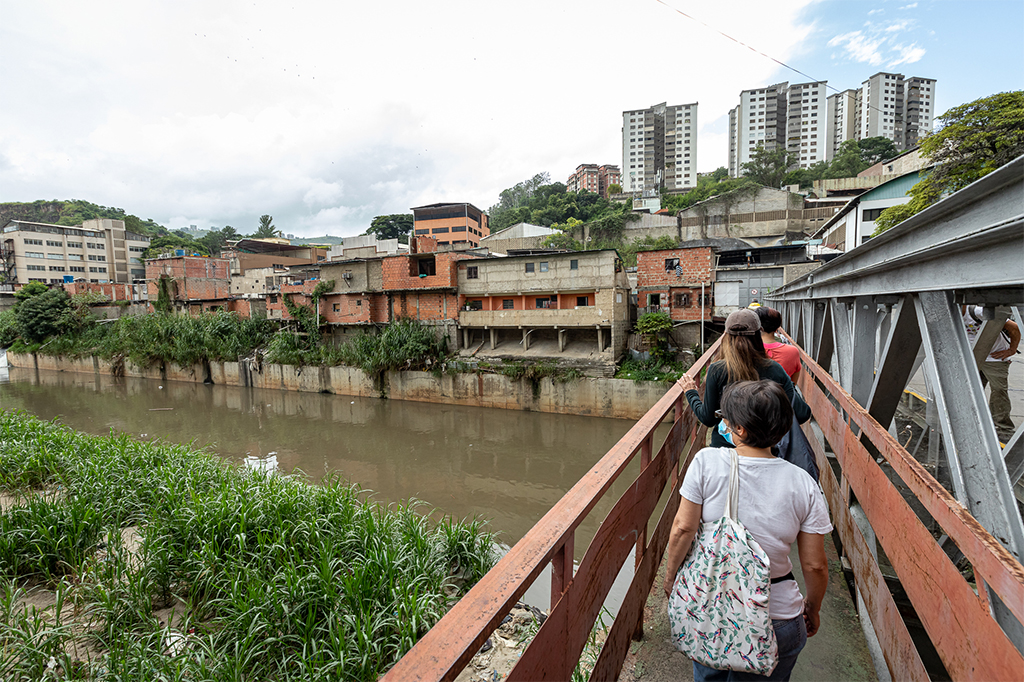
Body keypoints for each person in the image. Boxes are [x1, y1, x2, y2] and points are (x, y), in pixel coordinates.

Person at [663, 380, 832, 681]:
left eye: (725, 418)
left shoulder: (706, 463)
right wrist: (812, 607)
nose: (723, 423)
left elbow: (682, 529)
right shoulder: (804, 483)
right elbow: (815, 564)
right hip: (779, 619)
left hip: (714, 610)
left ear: (739, 430)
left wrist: (670, 576)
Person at [678, 309, 810, 450]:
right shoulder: (775, 369)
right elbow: (802, 414)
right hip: (764, 449)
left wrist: (691, 392)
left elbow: (708, 419)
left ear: (726, 337)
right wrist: (787, 385)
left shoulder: (717, 370)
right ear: (758, 335)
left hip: (725, 450)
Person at [963, 306, 1020, 442]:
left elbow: (1014, 327)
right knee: (971, 390)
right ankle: (971, 421)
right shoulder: (949, 315)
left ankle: (1003, 427)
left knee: (999, 390)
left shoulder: (977, 312)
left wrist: (1012, 350)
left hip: (994, 357)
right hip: (972, 356)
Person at [756, 307, 800, 383]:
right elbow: (793, 383)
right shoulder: (793, 352)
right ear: (777, 327)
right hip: (782, 394)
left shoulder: (748, 349)